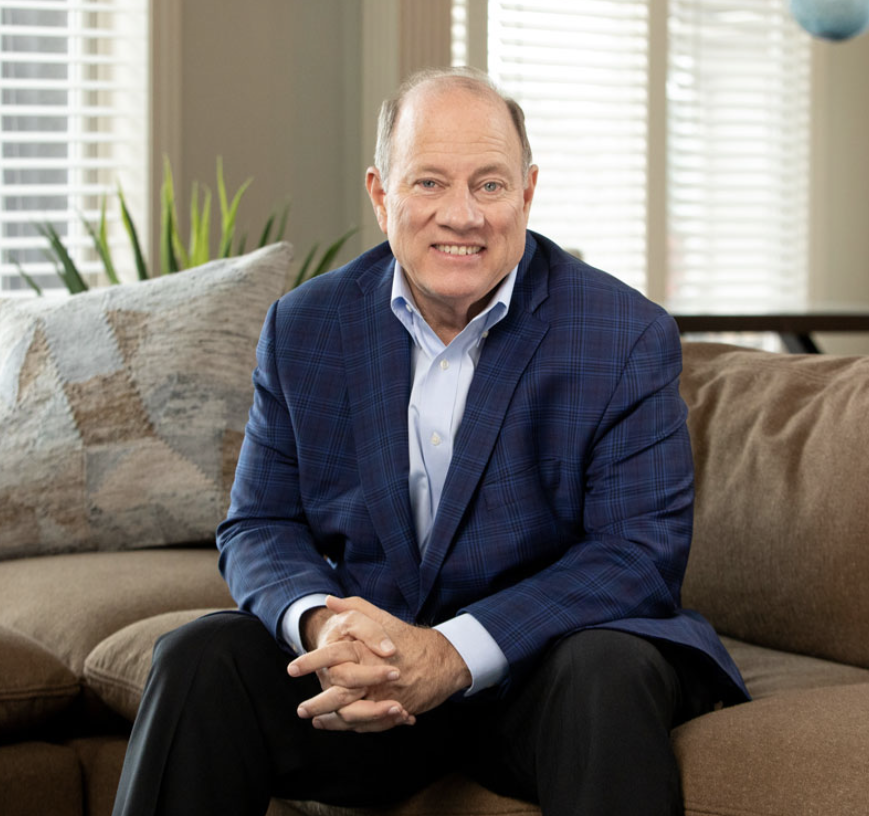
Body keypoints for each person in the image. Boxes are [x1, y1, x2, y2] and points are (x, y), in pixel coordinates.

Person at [112, 67, 748, 816]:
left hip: (539, 677)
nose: (462, 215)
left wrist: (450, 654)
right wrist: (330, 625)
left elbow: (637, 552)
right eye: (428, 184)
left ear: (527, 192)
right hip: (374, 680)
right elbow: (260, 522)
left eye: (488, 185)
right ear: (381, 195)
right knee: (201, 656)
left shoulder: (623, 333)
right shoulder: (305, 326)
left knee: (606, 665)